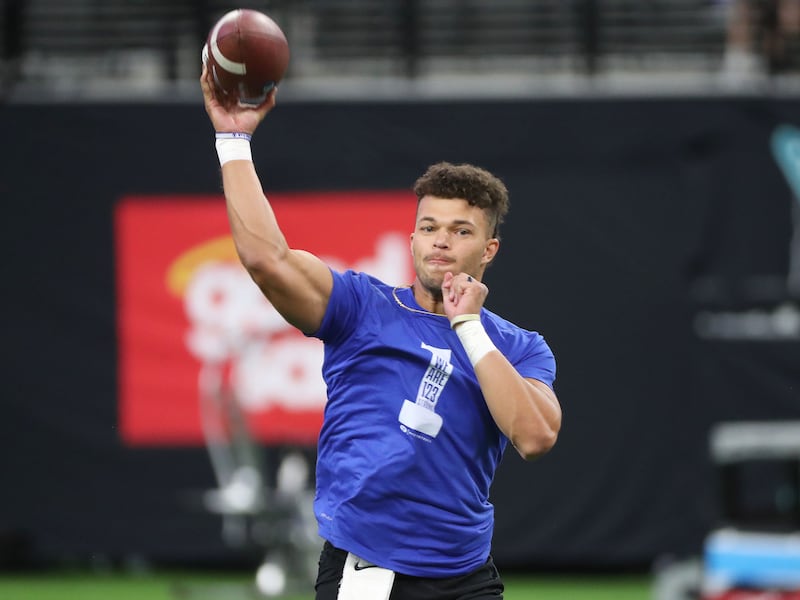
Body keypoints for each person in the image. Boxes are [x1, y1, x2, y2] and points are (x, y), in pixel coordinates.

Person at [200, 67, 562, 600]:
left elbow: (535, 437)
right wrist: (233, 140)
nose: (441, 242)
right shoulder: (361, 307)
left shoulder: (518, 346)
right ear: (412, 238)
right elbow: (266, 260)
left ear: (489, 250)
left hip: (466, 574)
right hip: (369, 571)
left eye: (461, 231)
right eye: (429, 227)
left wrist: (467, 326)